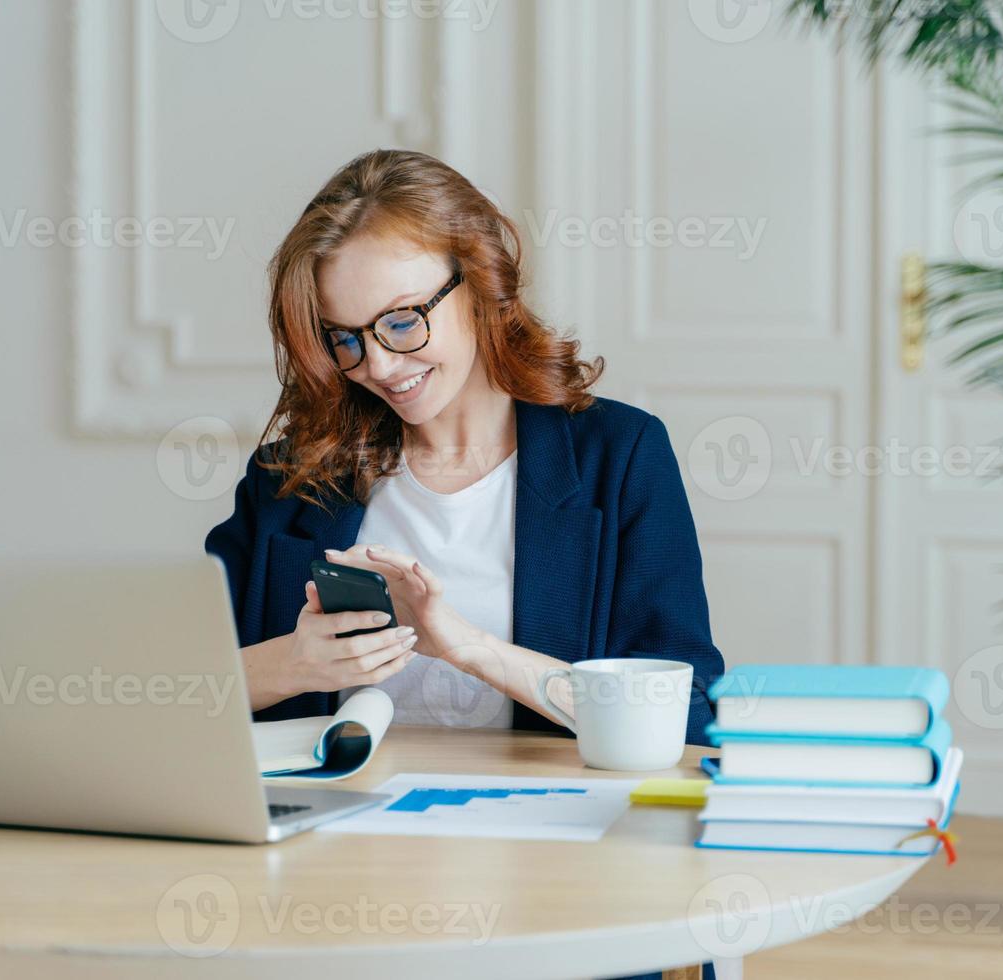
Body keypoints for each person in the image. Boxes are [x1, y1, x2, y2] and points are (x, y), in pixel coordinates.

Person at [205, 147, 725, 747]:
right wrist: (292, 665)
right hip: (322, 831)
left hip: (543, 833)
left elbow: (687, 715)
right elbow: (164, 689)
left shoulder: (621, 455)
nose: (377, 365)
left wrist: (466, 646)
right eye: (345, 338)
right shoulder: (289, 476)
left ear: (481, 283)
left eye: (402, 322)